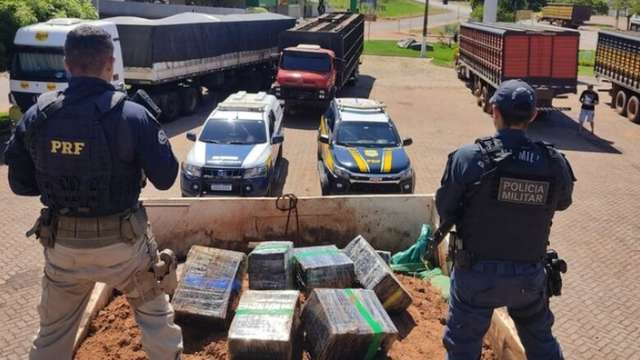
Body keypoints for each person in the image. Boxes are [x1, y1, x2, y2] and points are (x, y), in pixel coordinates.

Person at [4, 25, 183, 359]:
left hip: (63, 248)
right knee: (156, 321)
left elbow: (19, 183)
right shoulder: (132, 114)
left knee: (51, 336)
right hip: (125, 251)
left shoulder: (38, 115)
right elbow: (167, 177)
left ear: (67, 64)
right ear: (111, 63)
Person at [436, 79, 576, 360]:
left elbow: (446, 209)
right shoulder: (554, 161)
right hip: (529, 279)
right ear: (534, 115)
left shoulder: (469, 158)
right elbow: (562, 203)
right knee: (541, 343)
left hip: (475, 277)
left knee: (463, 346)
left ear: (494, 110)